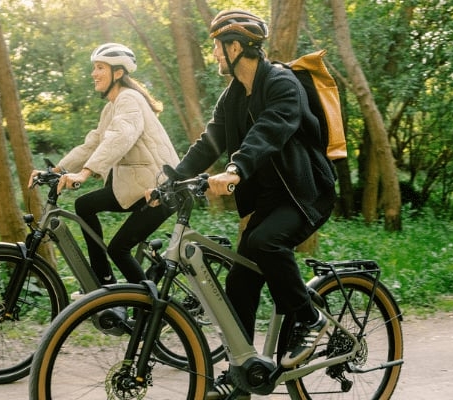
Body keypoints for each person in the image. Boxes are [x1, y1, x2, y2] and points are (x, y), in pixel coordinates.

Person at [169, 10, 337, 399]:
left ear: (235, 47)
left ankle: (309, 318)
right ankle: (242, 375)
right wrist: (172, 178)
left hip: (305, 192)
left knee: (265, 243)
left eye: (216, 46)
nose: (213, 54)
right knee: (240, 282)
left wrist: (236, 169)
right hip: (270, 199)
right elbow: (211, 139)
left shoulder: (282, 83)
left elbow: (270, 131)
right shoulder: (233, 96)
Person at [31, 43, 179, 288]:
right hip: (135, 186)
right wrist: (55, 170)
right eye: (94, 68)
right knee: (84, 204)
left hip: (159, 189)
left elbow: (120, 136)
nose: (94, 73)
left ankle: (151, 308)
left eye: (100, 68)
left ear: (118, 73)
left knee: (119, 248)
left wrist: (86, 173)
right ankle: (103, 280)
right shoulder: (112, 107)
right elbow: (92, 144)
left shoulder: (129, 99)